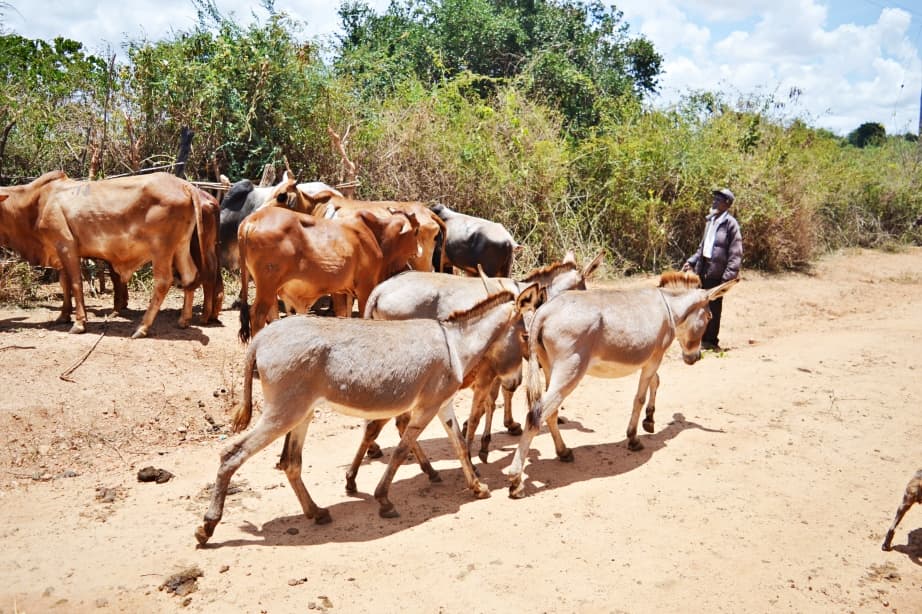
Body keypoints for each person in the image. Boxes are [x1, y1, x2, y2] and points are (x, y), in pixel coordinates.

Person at [682, 187, 743, 351]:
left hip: (718, 274)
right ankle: (700, 339)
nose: (714, 202)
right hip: (703, 270)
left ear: (727, 204)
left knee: (714, 308)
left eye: (718, 200)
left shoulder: (731, 225)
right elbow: (702, 248)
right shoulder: (710, 221)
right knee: (701, 305)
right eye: (714, 198)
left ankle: (711, 342)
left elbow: (736, 253)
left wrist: (728, 278)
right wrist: (692, 262)